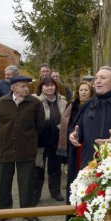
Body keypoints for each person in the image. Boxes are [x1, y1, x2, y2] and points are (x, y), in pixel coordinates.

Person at [0, 75, 45, 221]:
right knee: (3, 182)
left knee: (27, 182)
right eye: (22, 86)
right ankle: (2, 213)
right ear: (13, 88)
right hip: (4, 148)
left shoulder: (35, 103)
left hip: (26, 149)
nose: (26, 89)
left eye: (27, 86)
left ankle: (28, 212)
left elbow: (39, 125)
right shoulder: (0, 103)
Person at [69, 66, 111, 168]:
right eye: (96, 78)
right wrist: (75, 135)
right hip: (89, 164)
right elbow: (79, 128)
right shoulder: (87, 105)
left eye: (103, 78)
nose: (98, 81)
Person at [57, 81, 94, 221]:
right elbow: (67, 124)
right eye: (81, 90)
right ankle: (73, 211)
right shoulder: (71, 106)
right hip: (74, 145)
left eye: (86, 90)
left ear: (91, 92)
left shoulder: (93, 105)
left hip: (87, 145)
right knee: (75, 177)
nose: (83, 92)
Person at [32, 76, 67, 205]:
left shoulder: (62, 101)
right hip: (40, 140)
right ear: (41, 87)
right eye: (46, 85)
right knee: (38, 168)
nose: (50, 87)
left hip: (56, 138)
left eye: (52, 85)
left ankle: (55, 192)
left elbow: (66, 119)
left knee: (55, 167)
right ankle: (35, 195)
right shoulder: (35, 101)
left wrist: (57, 127)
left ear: (56, 87)